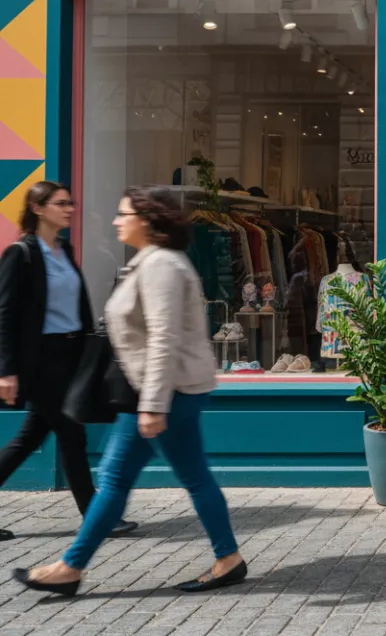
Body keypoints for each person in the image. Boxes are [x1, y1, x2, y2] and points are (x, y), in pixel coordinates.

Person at [14, 186, 246, 597]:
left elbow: (163, 338)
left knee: (121, 478)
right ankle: (227, 558)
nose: (116, 221)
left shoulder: (161, 267)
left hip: (164, 394)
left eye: (124, 214)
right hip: (161, 393)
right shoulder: (150, 262)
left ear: (148, 220)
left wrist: (153, 405)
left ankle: (71, 567)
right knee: (182, 477)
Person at [0, 181, 136, 541]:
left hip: (71, 354)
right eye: (61, 203)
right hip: (42, 359)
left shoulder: (64, 249)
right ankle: (97, 516)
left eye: (71, 202)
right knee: (71, 435)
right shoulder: (21, 253)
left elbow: (76, 306)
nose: (70, 208)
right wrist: (6, 370)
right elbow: (5, 315)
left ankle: (97, 515)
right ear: (38, 208)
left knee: (31, 438)